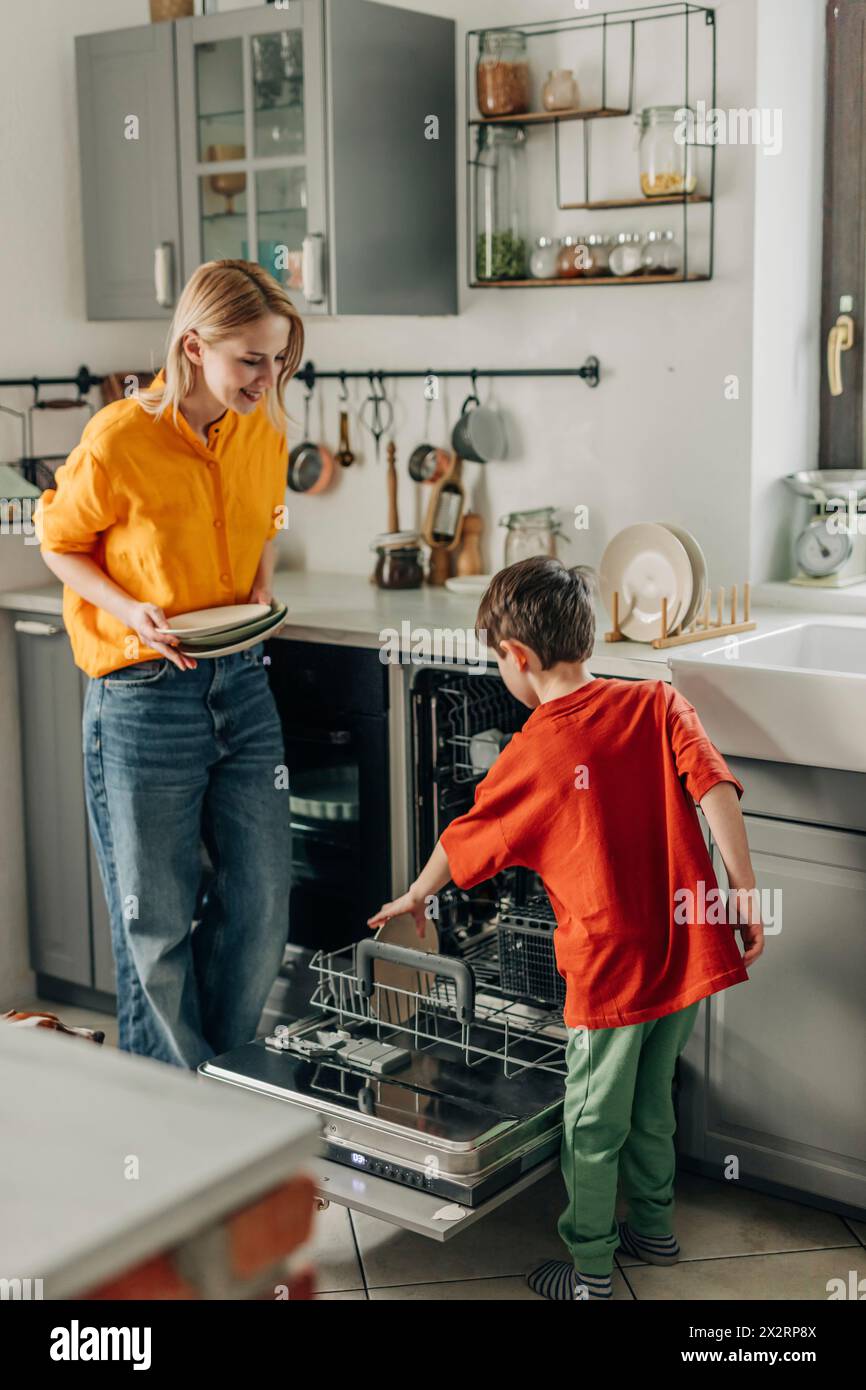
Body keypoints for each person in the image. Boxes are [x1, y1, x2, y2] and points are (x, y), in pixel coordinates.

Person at [368, 556, 764, 1301]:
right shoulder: (657, 704)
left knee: (592, 1121)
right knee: (654, 1104)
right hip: (684, 954)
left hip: (610, 969)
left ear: (517, 658)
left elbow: (465, 838)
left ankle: (588, 1274)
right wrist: (742, 891)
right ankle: (655, 1230)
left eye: (497, 660)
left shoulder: (534, 752)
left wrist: (414, 895)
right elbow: (714, 785)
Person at [35, 259, 304, 1070]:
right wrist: (129, 611)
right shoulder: (120, 437)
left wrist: (263, 574)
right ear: (194, 346)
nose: (270, 376)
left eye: (281, 358)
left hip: (242, 683)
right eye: (251, 359)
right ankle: (178, 1132)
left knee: (260, 908)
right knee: (155, 923)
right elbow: (57, 539)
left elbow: (270, 515)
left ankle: (219, 1098)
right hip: (144, 695)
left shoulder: (265, 427)